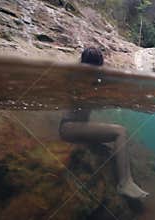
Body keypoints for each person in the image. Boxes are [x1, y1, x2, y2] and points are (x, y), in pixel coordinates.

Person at [59, 47, 149, 199]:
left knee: (113, 143)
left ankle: (126, 181)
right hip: (68, 127)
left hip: (72, 126)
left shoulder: (82, 78)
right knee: (120, 131)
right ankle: (124, 184)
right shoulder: (81, 81)